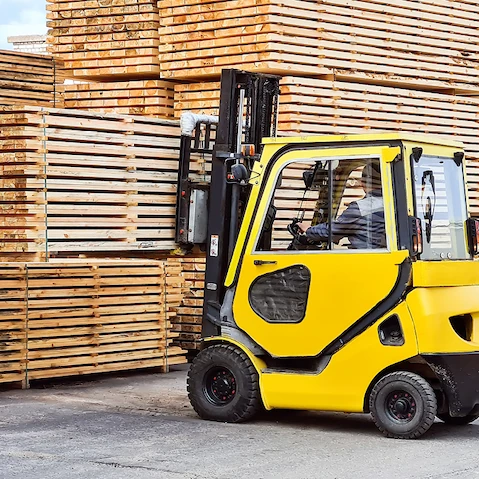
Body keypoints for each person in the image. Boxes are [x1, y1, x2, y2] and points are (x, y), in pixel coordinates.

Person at [297, 162, 386, 249]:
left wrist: (308, 230)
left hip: (364, 259)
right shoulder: (390, 203)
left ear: (363, 182)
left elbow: (333, 231)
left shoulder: (361, 208)